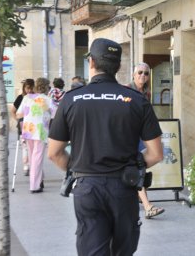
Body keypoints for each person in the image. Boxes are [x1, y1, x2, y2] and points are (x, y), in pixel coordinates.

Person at [47, 38, 163, 256]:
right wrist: (133, 165)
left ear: (91, 62)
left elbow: (53, 153)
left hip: (87, 187)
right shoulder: (136, 100)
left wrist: (80, 168)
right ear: (118, 66)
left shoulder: (71, 100)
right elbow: (156, 153)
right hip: (123, 187)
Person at [126, 62, 165, 219]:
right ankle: (148, 206)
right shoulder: (127, 90)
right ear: (134, 74)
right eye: (140, 72)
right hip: (129, 135)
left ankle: (134, 194)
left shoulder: (146, 93)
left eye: (146, 73)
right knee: (138, 167)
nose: (143, 75)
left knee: (141, 165)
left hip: (142, 135)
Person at [16, 77, 56, 193]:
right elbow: (56, 114)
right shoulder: (47, 100)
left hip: (28, 130)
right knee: (37, 159)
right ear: (46, 87)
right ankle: (34, 185)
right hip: (40, 131)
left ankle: (39, 180)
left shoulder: (27, 98)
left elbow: (19, 114)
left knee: (33, 157)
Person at [11, 78, 35, 175]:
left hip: (34, 126)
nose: (29, 90)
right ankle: (26, 166)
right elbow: (13, 111)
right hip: (23, 126)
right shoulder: (20, 98)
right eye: (27, 88)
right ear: (24, 88)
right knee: (25, 147)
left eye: (31, 88)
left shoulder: (35, 97)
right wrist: (18, 120)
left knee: (33, 147)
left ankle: (33, 165)